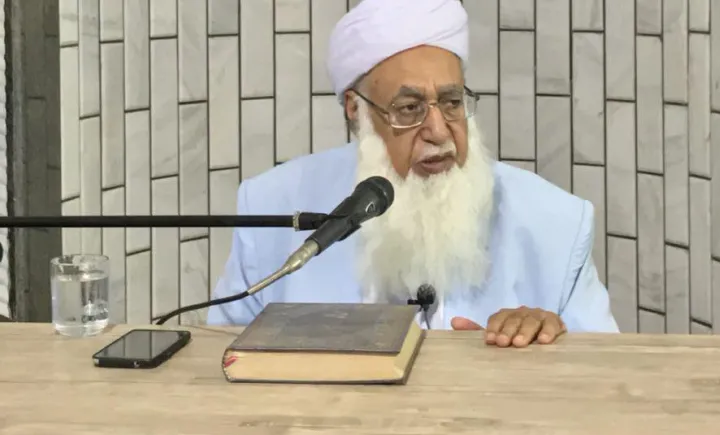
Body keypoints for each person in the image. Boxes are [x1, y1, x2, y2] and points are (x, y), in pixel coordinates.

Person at [208, 0, 620, 346]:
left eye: (452, 102)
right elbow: (220, 360)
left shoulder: (557, 224)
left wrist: (547, 352)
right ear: (356, 110)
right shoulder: (271, 209)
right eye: (409, 109)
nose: (439, 131)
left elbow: (609, 380)